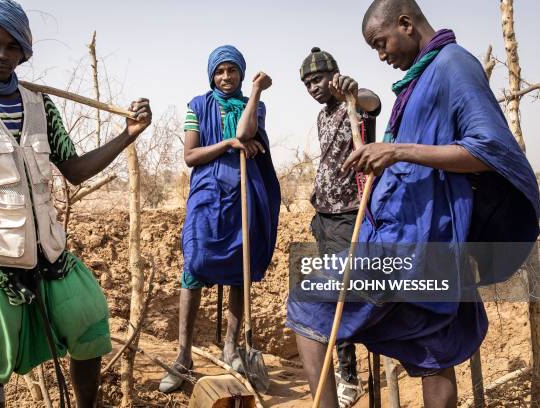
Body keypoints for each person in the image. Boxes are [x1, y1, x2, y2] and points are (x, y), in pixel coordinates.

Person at [286, 1, 539, 407]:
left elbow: (489, 150)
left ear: (406, 24)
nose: (382, 55)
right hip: (422, 241)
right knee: (431, 348)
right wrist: (385, 161)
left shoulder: (454, 66)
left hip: (416, 244)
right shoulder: (421, 80)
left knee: (308, 294)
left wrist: (398, 152)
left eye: (381, 43)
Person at [0, 1, 151, 406]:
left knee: (88, 320)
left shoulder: (39, 104)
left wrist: (129, 135)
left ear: (24, 51)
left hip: (48, 250)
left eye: (13, 47)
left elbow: (75, 169)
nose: (2, 55)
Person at [158, 45, 281, 393]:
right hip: (208, 197)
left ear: (242, 74)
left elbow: (247, 133)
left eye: (232, 71)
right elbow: (191, 155)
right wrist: (229, 143)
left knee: (240, 269)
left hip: (245, 193)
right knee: (194, 266)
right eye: (219, 71)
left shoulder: (254, 105)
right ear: (210, 74)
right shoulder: (197, 106)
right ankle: (183, 356)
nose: (225, 77)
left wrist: (255, 92)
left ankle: (231, 347)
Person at [299, 47, 381, 408]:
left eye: (317, 79)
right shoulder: (321, 117)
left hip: (352, 215)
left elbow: (372, 101)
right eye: (306, 83)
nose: (313, 87)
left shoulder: (353, 102)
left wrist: (353, 91)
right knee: (334, 292)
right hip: (326, 217)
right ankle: (342, 372)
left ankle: (348, 377)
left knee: (342, 293)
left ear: (334, 75)